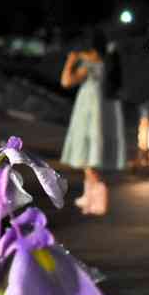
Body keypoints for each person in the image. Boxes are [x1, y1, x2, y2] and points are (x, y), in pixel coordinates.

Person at [59, 29, 126, 216]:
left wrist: (70, 61)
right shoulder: (107, 61)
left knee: (87, 154)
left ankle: (98, 197)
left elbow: (66, 82)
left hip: (88, 110)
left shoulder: (89, 63)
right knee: (90, 156)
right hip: (100, 110)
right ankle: (89, 197)